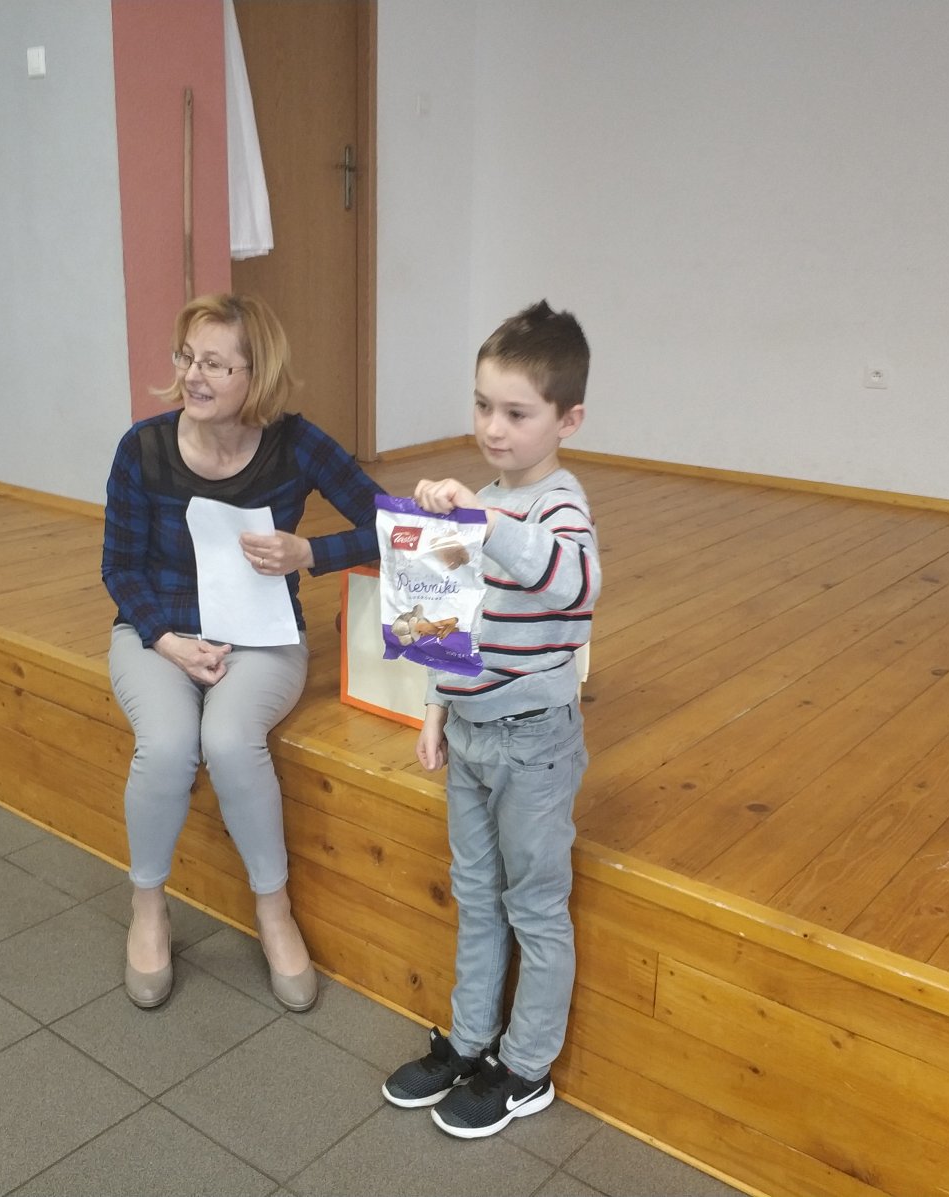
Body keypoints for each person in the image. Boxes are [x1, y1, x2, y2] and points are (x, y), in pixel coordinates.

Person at [102, 293, 383, 1013]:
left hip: (262, 637)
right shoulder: (142, 448)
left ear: (256, 374)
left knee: (229, 739)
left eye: (215, 364)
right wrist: (168, 640)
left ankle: (273, 908)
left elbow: (392, 525)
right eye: (186, 358)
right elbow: (120, 568)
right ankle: (148, 906)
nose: (192, 376)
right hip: (158, 634)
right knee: (168, 744)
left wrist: (310, 552)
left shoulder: (296, 443)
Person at [382, 300, 600, 1138]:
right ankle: (470, 1039)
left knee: (534, 905)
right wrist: (435, 708)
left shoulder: (556, 507)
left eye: (516, 412)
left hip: (534, 742)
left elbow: (574, 585)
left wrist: (487, 522)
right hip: (470, 736)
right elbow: (452, 619)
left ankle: (527, 1066)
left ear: (567, 420)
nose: (493, 427)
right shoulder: (487, 499)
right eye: (482, 405)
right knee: (476, 894)